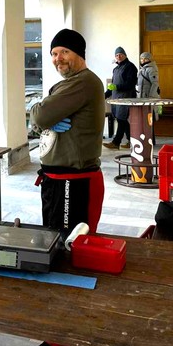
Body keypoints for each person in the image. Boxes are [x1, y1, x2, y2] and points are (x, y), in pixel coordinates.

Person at [29, 29, 106, 238]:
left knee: (68, 245)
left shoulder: (83, 82)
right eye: (54, 54)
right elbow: (42, 120)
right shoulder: (74, 82)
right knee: (54, 241)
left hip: (73, 184)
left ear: (79, 54)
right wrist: (44, 123)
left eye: (64, 52)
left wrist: (40, 117)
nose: (58, 59)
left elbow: (40, 115)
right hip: (59, 182)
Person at [103, 46, 138, 150]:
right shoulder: (115, 69)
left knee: (121, 119)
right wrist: (104, 95)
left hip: (126, 98)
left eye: (121, 54)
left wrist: (117, 87)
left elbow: (131, 84)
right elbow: (112, 86)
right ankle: (131, 141)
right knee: (122, 119)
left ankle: (116, 142)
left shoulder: (130, 67)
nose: (118, 56)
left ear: (125, 55)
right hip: (116, 99)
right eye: (117, 55)